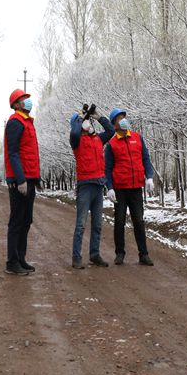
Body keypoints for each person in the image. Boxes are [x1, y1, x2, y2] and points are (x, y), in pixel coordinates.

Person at [104, 108, 155, 266]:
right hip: (120, 188)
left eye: (123, 117)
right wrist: (109, 187)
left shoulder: (137, 138)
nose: (123, 120)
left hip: (135, 187)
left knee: (139, 221)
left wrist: (149, 177)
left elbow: (145, 158)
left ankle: (143, 254)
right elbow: (107, 168)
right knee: (119, 221)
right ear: (114, 124)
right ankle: (120, 253)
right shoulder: (111, 144)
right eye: (119, 118)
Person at [69, 104, 115, 269]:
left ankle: (94, 255)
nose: (87, 123)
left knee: (97, 224)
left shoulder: (97, 139)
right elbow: (74, 131)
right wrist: (80, 117)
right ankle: (76, 257)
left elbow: (111, 131)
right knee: (81, 223)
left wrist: (98, 116)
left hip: (98, 184)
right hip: (85, 186)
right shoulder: (76, 140)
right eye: (84, 121)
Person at [3, 88, 40, 276]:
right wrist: (20, 179)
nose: (27, 101)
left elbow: (30, 154)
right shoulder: (15, 123)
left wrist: (35, 178)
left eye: (27, 98)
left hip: (29, 179)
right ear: (16, 104)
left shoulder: (27, 123)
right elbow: (13, 153)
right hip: (20, 180)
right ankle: (12, 262)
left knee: (26, 220)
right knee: (17, 221)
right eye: (24, 98)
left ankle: (21, 258)